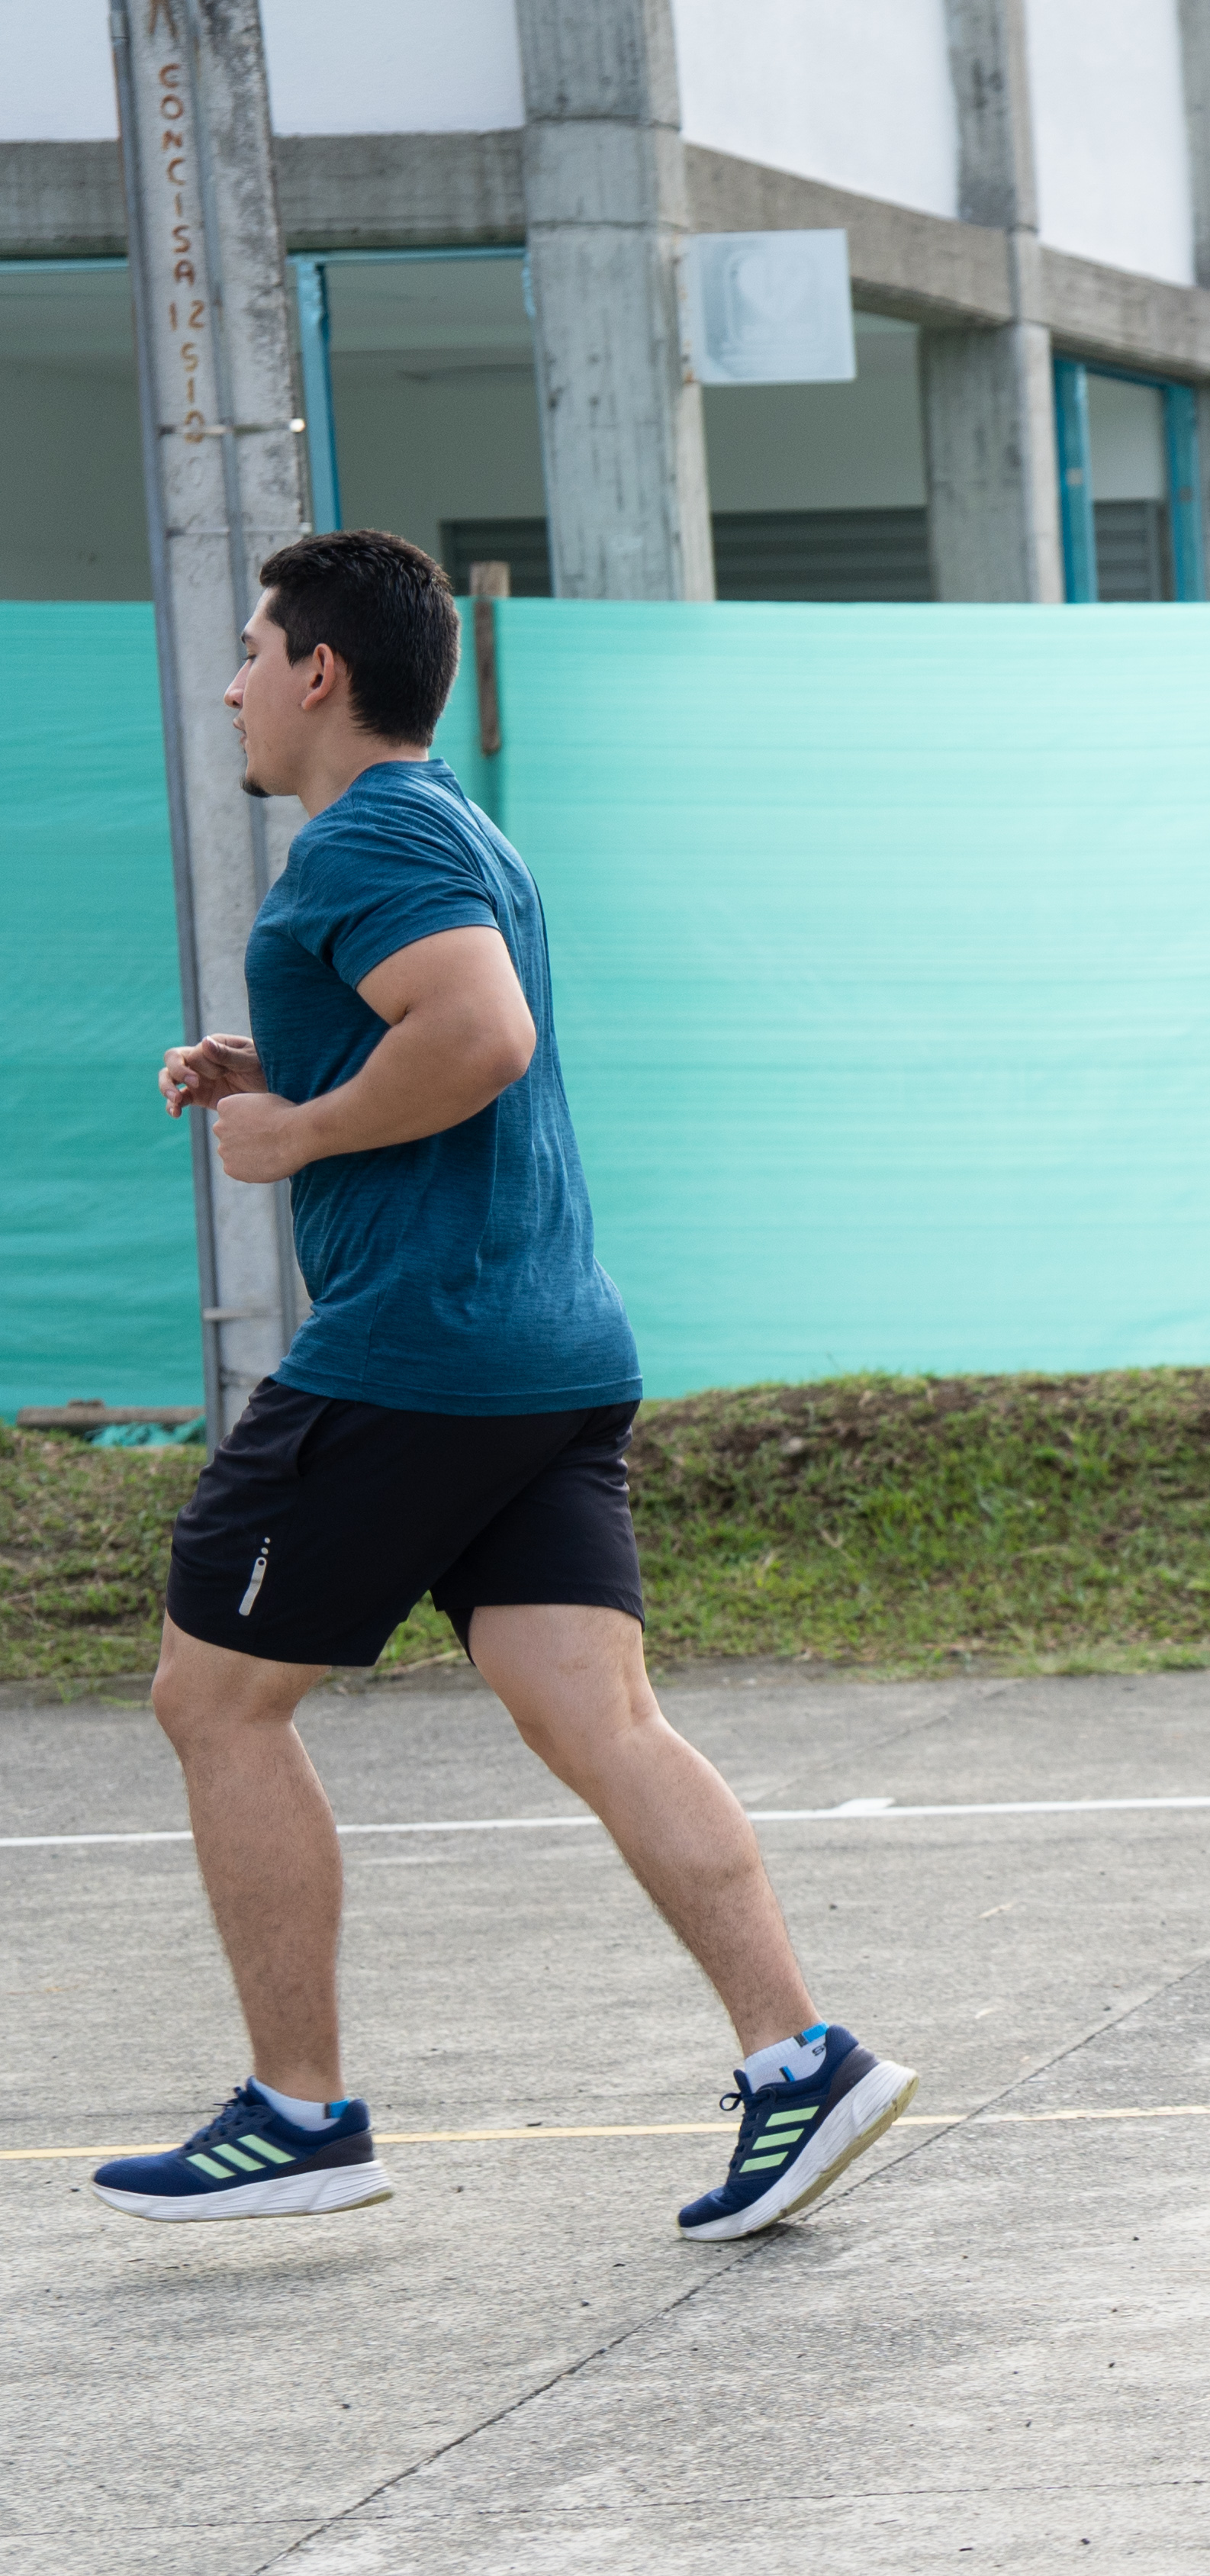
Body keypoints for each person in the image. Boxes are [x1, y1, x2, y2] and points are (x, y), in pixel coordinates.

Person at [99, 529, 915, 2244]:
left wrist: (299, 1131)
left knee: (212, 1696)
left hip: (422, 1351)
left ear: (321, 671)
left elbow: (477, 1035)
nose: (231, 681)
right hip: (550, 1345)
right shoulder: (450, 822)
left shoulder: (367, 837)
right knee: (596, 1716)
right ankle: (801, 2062)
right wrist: (297, 1057)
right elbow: (437, 1023)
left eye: (250, 650)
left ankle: (301, 2115)